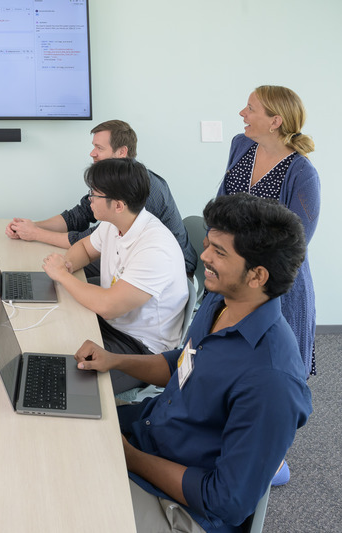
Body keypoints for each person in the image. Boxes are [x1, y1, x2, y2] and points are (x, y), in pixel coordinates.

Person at [75, 194, 312, 532]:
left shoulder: (271, 380)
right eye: (207, 245)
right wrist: (115, 360)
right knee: (58, 434)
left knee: (66, 501)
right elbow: (184, 363)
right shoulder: (222, 301)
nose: (203, 257)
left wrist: (129, 457)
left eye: (219, 252)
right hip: (151, 436)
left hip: (184, 509)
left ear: (257, 276)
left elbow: (225, 501)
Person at [42, 158, 188, 393]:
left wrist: (62, 275)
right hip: (111, 323)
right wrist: (67, 264)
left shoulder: (155, 248)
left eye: (95, 194)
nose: (89, 199)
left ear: (118, 205)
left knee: (63, 385)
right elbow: (85, 249)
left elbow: (109, 306)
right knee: (48, 332)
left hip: (139, 347)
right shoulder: (114, 223)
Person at [7, 120, 196, 277]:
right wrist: (31, 227)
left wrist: (35, 234)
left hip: (170, 270)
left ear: (122, 152)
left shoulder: (143, 188)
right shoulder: (113, 181)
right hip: (127, 255)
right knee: (57, 265)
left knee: (61, 271)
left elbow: (90, 238)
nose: (92, 153)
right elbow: (78, 216)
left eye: (99, 147)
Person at [218, 85, 320, 379]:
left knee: (274, 372)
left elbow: (294, 244)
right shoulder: (241, 145)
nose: (242, 113)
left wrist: (244, 263)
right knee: (227, 362)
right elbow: (221, 204)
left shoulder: (302, 173)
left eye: (250, 108)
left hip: (273, 285)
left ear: (275, 121)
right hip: (233, 272)